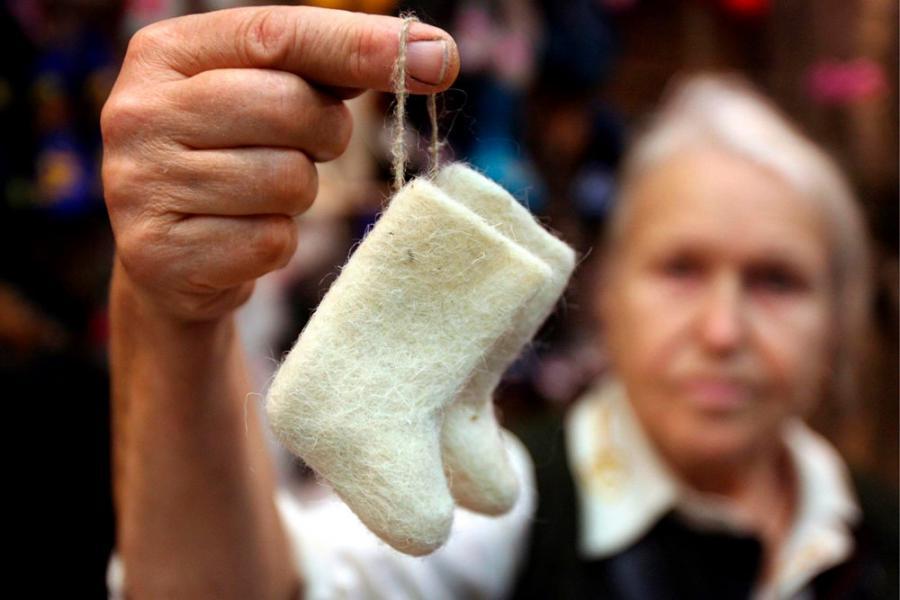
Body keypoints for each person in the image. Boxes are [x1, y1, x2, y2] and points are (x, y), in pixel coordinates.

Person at [102, 6, 896, 599]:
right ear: (611, 295)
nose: (723, 331)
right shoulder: (515, 514)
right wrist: (172, 313)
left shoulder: (880, 533)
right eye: (681, 270)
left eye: (776, 281)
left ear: (841, 316)